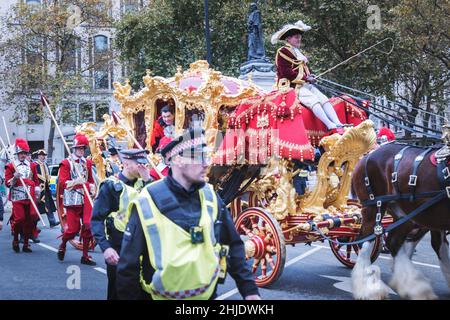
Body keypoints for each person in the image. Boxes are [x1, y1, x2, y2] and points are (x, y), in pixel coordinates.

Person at [116, 128, 260, 300]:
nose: (206, 163)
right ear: (178, 160)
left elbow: (234, 245)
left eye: (206, 156)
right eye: (199, 156)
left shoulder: (210, 196)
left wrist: (250, 292)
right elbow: (127, 267)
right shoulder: (147, 200)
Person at [91, 149, 152, 300]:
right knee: (119, 293)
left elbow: (157, 209)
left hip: (145, 250)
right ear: (126, 163)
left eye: (144, 163)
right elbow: (97, 219)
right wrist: (106, 248)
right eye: (139, 164)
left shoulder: (146, 184)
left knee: (146, 293)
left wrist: (148, 182)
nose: (143, 167)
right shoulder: (111, 186)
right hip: (119, 250)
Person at [272, 20, 344, 134]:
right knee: (314, 100)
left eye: (299, 37)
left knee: (324, 99)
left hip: (304, 83)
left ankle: (337, 122)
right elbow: (286, 72)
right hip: (293, 86)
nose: (299, 39)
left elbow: (302, 69)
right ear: (288, 39)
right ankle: (330, 125)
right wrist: (306, 78)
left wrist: (310, 76)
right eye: (296, 37)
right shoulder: (283, 51)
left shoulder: (297, 52)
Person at [56, 133, 97, 265]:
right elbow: (62, 183)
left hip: (85, 200)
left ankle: (85, 256)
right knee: (73, 230)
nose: (81, 150)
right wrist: (75, 182)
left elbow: (90, 180)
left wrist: (92, 187)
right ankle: (63, 244)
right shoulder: (65, 163)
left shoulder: (88, 163)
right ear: (73, 148)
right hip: (72, 201)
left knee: (88, 226)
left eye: (83, 148)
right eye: (79, 148)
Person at [4, 139, 40, 253]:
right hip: (17, 196)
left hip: (30, 196)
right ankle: (15, 240)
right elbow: (7, 183)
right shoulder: (11, 166)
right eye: (21, 153)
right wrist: (14, 177)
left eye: (25, 153)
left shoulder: (32, 165)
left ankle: (26, 244)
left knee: (29, 220)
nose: (23, 155)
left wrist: (37, 191)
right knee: (20, 219)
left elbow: (36, 181)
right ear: (17, 154)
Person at [33, 149, 60, 228]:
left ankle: (52, 221)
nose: (43, 157)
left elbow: (48, 176)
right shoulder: (35, 165)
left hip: (46, 188)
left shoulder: (46, 165)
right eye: (41, 155)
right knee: (37, 206)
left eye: (44, 155)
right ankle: (33, 224)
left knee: (48, 205)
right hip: (39, 188)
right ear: (38, 156)